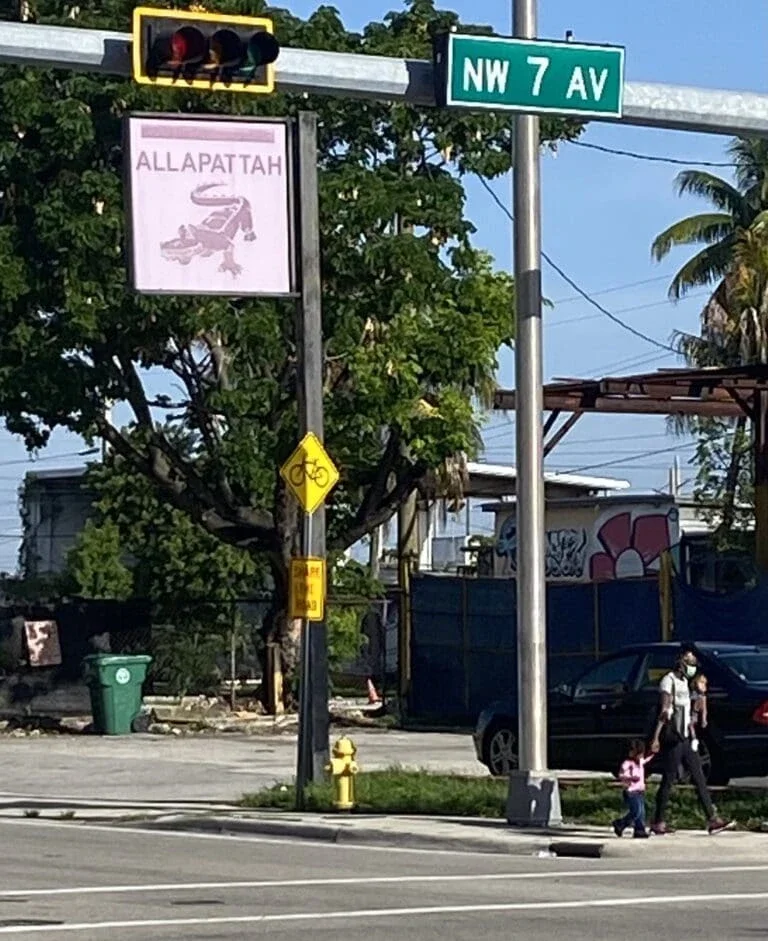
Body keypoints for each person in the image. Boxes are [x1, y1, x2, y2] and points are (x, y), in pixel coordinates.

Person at [650, 647, 734, 835]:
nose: (692, 667)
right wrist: (656, 738)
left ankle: (712, 818)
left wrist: (694, 734)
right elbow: (665, 712)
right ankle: (658, 821)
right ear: (681, 663)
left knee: (699, 777)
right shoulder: (668, 681)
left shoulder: (685, 683)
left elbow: (688, 714)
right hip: (673, 737)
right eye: (690, 663)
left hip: (686, 738)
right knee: (669, 779)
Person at [612, 738, 652, 838]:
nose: (641, 756)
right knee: (636, 811)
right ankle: (621, 823)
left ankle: (640, 829)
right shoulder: (627, 764)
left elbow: (647, 759)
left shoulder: (640, 762)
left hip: (640, 791)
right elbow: (620, 775)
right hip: (631, 791)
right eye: (639, 754)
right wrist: (630, 778)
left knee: (641, 812)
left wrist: (653, 752)